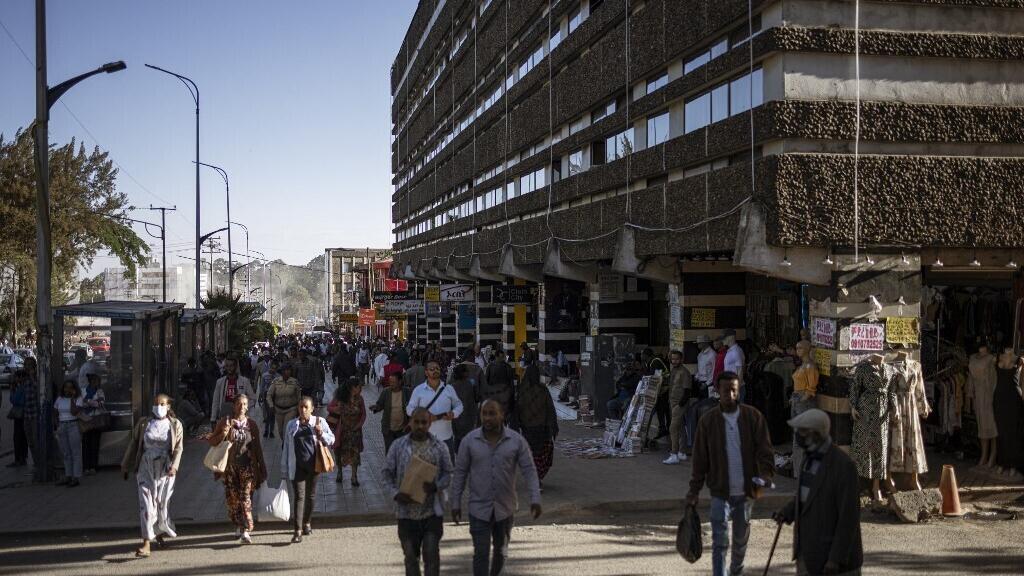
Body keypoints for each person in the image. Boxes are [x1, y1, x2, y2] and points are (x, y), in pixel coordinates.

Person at [686, 371, 775, 576]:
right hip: (720, 491)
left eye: (734, 390)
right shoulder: (708, 421)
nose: (731, 395)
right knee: (720, 541)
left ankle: (736, 569)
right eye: (726, 391)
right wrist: (694, 491)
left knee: (740, 539)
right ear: (718, 391)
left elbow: (765, 451)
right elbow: (700, 460)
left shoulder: (753, 417)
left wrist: (766, 475)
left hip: (746, 493)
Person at [451, 400, 542, 576]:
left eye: (492, 413)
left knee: (501, 552)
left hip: (505, 509)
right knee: (481, 553)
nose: (487, 418)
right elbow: (460, 473)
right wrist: (455, 502)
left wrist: (535, 499)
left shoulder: (516, 441)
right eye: (484, 413)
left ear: (502, 415)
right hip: (478, 509)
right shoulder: (469, 441)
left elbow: (529, 471)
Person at [773, 409, 863, 576]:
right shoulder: (809, 459)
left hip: (834, 564)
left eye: (802, 432)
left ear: (816, 435)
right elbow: (805, 496)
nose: (798, 436)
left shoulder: (844, 467)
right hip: (809, 556)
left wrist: (835, 559)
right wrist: (787, 512)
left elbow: (848, 519)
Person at [382, 407, 453, 576]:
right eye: (416, 422)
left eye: (424, 422)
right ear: (410, 423)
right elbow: (386, 473)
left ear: (429, 424)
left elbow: (448, 472)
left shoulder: (439, 447)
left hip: (431, 514)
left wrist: (437, 486)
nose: (420, 425)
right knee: (411, 557)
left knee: (431, 554)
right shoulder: (398, 446)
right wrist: (396, 494)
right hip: (406, 514)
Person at [121, 393, 183, 558]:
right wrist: (125, 465)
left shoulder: (175, 424)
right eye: (156, 404)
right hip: (146, 467)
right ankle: (146, 543)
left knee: (161, 504)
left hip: (165, 469)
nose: (159, 407)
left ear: (168, 406)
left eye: (162, 404)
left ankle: (159, 533)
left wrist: (174, 467)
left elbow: (178, 448)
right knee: (147, 505)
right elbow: (134, 443)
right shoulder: (144, 423)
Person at [208, 395, 268, 544]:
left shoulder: (252, 425)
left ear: (248, 407)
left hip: (248, 467)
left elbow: (257, 448)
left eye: (245, 404)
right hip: (230, 468)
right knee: (233, 500)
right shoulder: (226, 422)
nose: (242, 407)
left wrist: (262, 467)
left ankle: (246, 529)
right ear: (234, 406)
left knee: (246, 497)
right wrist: (223, 433)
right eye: (239, 404)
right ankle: (239, 525)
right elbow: (212, 441)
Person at [281, 396, 335, 543]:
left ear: (312, 409)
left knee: (310, 496)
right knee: (299, 497)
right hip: (297, 467)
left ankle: (307, 523)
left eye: (306, 407)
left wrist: (321, 433)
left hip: (314, 466)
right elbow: (286, 447)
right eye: (300, 407)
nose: (303, 410)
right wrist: (284, 468)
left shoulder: (319, 422)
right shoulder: (292, 425)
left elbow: (332, 439)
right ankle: (297, 530)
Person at [407, 360, 464, 457]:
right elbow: (409, 409)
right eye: (432, 369)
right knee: (426, 470)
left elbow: (459, 405)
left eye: (437, 368)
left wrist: (453, 413)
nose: (435, 371)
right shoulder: (419, 390)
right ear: (426, 372)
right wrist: (423, 416)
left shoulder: (448, 389)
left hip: (446, 437)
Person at [515, 365, 559, 483]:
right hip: (542, 429)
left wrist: (516, 425)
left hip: (527, 428)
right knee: (541, 454)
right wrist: (553, 426)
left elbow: (516, 410)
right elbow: (550, 409)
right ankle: (537, 478)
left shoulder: (521, 391)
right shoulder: (543, 390)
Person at [329, 377, 367, 487]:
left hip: (355, 431)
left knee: (355, 453)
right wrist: (336, 409)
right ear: (352, 388)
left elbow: (363, 414)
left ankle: (354, 476)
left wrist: (359, 425)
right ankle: (339, 472)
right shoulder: (340, 397)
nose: (360, 389)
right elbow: (329, 407)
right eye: (358, 387)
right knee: (339, 451)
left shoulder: (360, 399)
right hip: (341, 431)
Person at [664, 350, 695, 465]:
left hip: (680, 404)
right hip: (673, 403)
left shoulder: (684, 372)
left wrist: (680, 405)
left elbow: (687, 391)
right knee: (680, 427)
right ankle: (682, 452)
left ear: (681, 359)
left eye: (677, 359)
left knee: (673, 428)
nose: (674, 361)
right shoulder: (673, 370)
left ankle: (674, 454)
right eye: (672, 359)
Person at [371, 372, 411, 455]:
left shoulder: (407, 392)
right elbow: (380, 404)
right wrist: (376, 408)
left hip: (403, 429)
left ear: (400, 382)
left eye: (393, 382)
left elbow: (412, 408)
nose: (391, 384)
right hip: (388, 428)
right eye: (390, 382)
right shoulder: (386, 392)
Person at [54, 379, 83, 487]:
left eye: (71, 387)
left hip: (73, 425)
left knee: (75, 452)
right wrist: (57, 425)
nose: (68, 389)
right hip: (62, 426)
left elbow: (74, 412)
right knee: (66, 453)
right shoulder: (59, 398)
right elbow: (55, 412)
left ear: (74, 389)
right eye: (66, 387)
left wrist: (72, 399)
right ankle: (68, 475)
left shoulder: (78, 399)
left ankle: (76, 477)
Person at [211, 356, 256, 422]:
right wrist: (213, 419)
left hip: (239, 417)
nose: (229, 368)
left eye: (231, 366)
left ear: (236, 367)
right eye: (227, 366)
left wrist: (243, 406)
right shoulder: (220, 382)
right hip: (225, 415)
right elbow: (215, 401)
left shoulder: (244, 381)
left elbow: (253, 399)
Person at [78, 372, 106, 475]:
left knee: (95, 444)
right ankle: (86, 467)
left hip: (96, 420)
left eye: (98, 381)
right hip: (85, 420)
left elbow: (101, 403)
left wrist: (89, 401)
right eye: (95, 381)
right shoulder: (83, 391)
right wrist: (93, 402)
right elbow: (81, 403)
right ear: (90, 381)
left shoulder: (100, 391)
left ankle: (93, 466)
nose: (97, 383)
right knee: (85, 444)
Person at [450, 363, 480, 454]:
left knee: (458, 438)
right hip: (469, 415)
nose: (468, 372)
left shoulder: (452, 386)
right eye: (466, 371)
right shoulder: (471, 383)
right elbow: (477, 397)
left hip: (457, 417)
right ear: (463, 373)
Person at [268, 364, 302, 441]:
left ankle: (287, 445)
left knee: (287, 429)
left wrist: (299, 409)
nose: (287, 372)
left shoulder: (295, 382)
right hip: (278, 409)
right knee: (280, 430)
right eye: (286, 370)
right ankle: (284, 442)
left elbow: (299, 397)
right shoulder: (276, 381)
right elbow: (269, 395)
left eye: (289, 370)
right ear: (282, 372)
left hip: (291, 409)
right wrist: (271, 405)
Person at [642, 348, 671, 438]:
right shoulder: (650, 362)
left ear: (646, 355)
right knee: (662, 409)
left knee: (662, 409)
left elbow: (657, 377)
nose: (641, 356)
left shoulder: (655, 361)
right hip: (662, 388)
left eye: (642, 354)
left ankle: (665, 429)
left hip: (665, 388)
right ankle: (664, 428)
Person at [7, 369, 29, 467]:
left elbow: (14, 400)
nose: (15, 379)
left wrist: (12, 390)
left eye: (16, 377)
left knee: (18, 437)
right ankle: (23, 458)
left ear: (20, 377)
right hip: (25, 414)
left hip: (20, 414)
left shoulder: (21, 387)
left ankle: (18, 459)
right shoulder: (25, 386)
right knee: (23, 437)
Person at [481, 349, 515, 413]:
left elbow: (511, 382)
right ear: (496, 357)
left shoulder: (507, 366)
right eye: (501, 357)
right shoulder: (490, 366)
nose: (502, 359)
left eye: (503, 357)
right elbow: (486, 381)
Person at [258, 360, 279, 439]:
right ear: (270, 367)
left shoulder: (278, 377)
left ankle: (271, 431)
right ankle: (266, 430)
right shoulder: (264, 375)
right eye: (272, 368)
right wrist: (260, 395)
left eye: (275, 368)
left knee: (272, 415)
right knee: (267, 415)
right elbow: (262, 386)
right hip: (266, 395)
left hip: (274, 396)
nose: (273, 370)